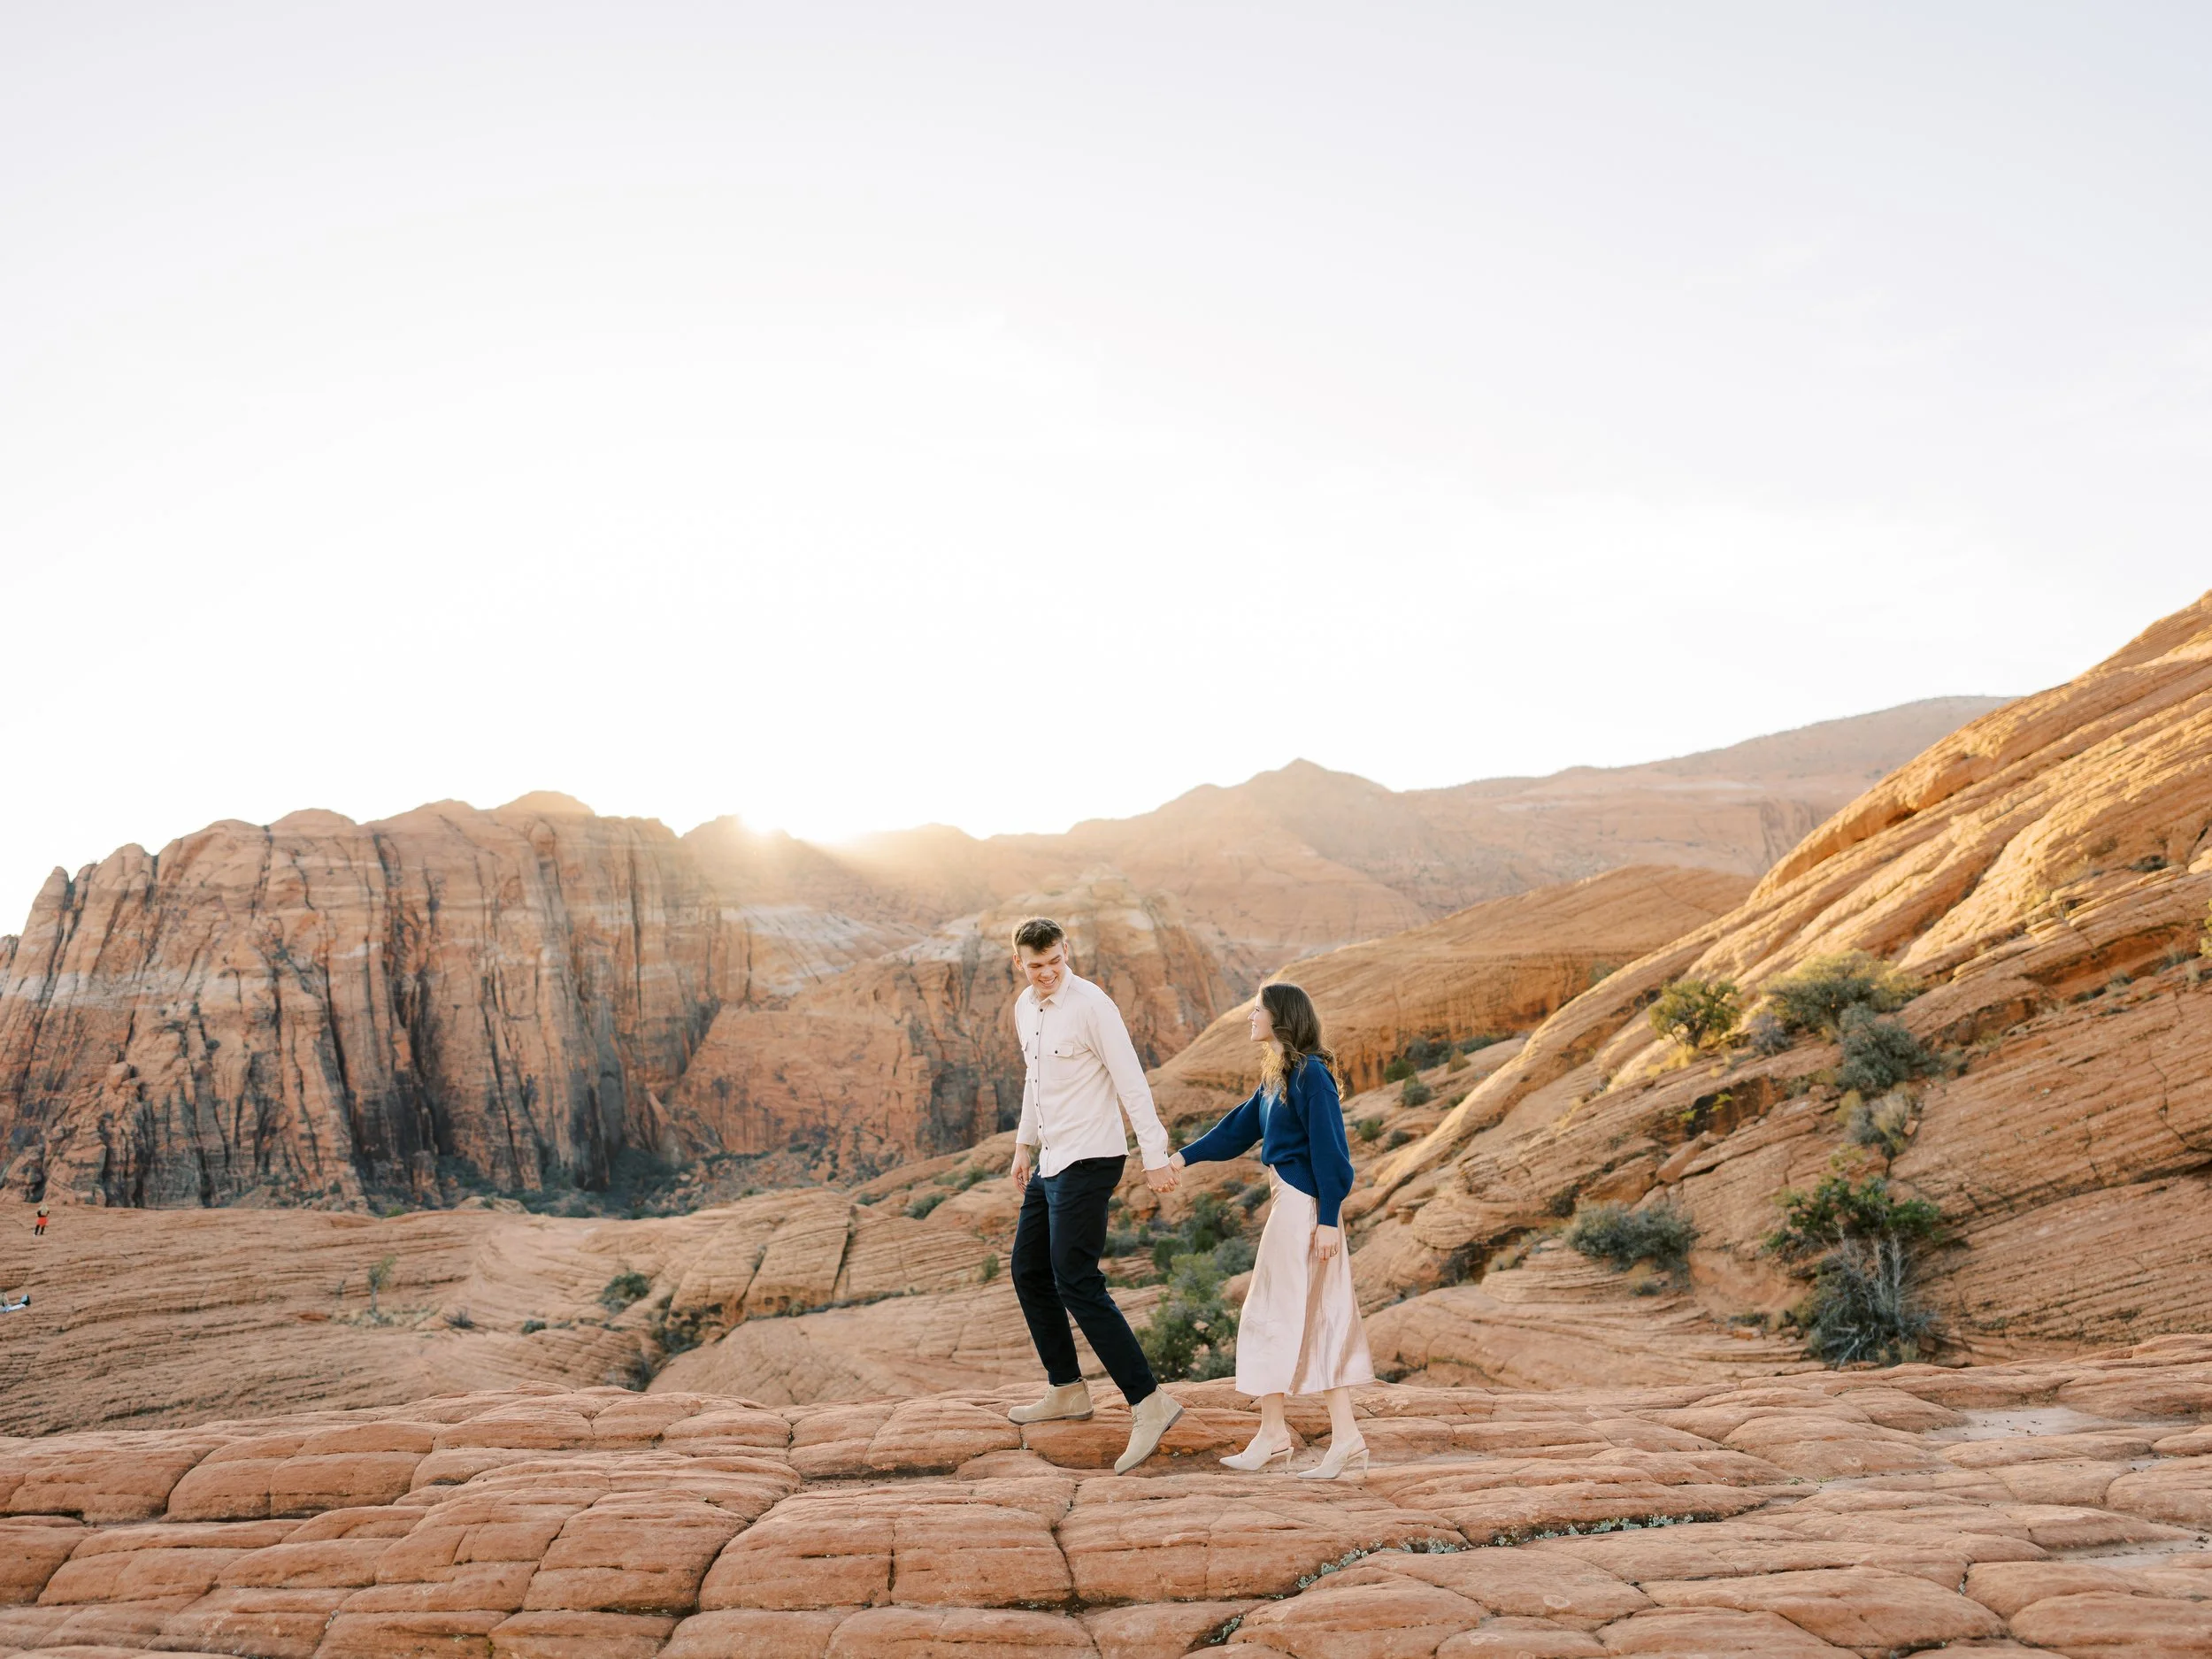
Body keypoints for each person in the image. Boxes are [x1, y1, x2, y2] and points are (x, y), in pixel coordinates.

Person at [1169, 980, 1375, 1479]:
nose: (1250, 1016)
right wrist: (1180, 1157)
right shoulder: (1277, 1078)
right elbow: (1235, 1129)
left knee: (1291, 1313)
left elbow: (1332, 1153)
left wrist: (1328, 1220)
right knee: (1288, 1314)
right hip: (1289, 1203)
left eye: (1257, 1010)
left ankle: (1316, 1438)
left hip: (1305, 1209)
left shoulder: (1312, 1076)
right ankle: (1288, 1435)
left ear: (1281, 1017)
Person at [1005, 916, 1187, 1473]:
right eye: (1036, 966)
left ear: (1067, 952)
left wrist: (1153, 1155)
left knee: (1075, 1279)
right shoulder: (1025, 1008)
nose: (1048, 974)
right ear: (1020, 963)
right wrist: (1023, 1145)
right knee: (1027, 1271)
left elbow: (1131, 1079)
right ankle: (1067, 1389)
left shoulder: (1092, 1005)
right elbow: (1036, 1082)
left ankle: (1150, 1402)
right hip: (1053, 1157)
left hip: (1093, 1156)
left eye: (1056, 961)